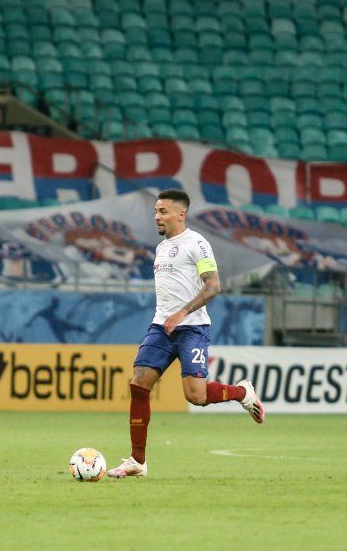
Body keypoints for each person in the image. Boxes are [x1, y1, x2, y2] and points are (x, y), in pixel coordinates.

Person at [108, 189, 264, 478]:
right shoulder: (161, 247)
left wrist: (183, 312)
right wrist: (170, 316)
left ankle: (242, 392)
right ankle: (137, 461)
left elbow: (213, 285)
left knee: (197, 396)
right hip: (161, 327)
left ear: (181, 214)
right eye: (156, 211)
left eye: (163, 211)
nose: (157, 216)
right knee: (139, 384)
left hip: (192, 328)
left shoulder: (198, 244)